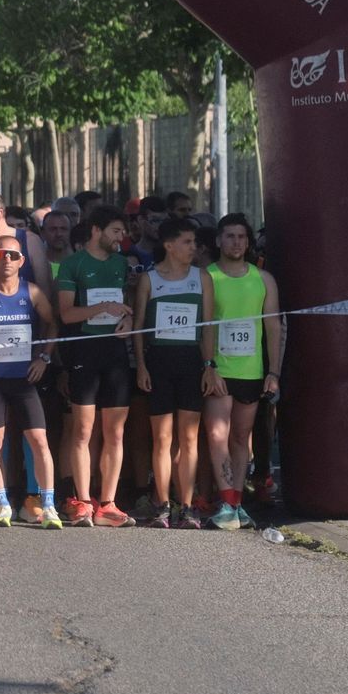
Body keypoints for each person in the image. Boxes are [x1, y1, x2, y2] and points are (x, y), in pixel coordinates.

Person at [0, 234, 62, 529]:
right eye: (0, 255)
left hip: (24, 379)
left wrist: (44, 357)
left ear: (22, 261)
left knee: (39, 441)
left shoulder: (31, 292)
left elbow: (53, 322)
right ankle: (3, 501)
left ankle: (48, 504)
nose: (6, 259)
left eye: (12, 255)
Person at [55, 205, 137, 528]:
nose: (121, 238)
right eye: (116, 231)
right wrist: (102, 307)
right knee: (84, 430)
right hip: (84, 351)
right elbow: (66, 314)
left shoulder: (120, 264)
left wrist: (128, 318)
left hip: (115, 352)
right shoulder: (72, 265)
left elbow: (127, 306)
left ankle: (108, 502)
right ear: (96, 231)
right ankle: (82, 501)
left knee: (114, 431)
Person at [133, 219, 217, 530]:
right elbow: (139, 327)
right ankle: (162, 503)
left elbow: (207, 326)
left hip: (190, 361)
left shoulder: (202, 277)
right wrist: (141, 364)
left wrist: (209, 366)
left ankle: (188, 505)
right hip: (159, 362)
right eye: (187, 242)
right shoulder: (150, 280)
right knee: (163, 438)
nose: (194, 247)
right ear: (169, 245)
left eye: (195, 242)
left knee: (190, 437)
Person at [205, 213, 283, 530]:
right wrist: (208, 366)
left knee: (241, 437)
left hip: (251, 371)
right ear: (219, 241)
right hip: (219, 370)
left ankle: (236, 503)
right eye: (230, 236)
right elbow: (206, 326)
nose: (236, 242)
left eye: (241, 237)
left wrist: (273, 372)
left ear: (248, 242)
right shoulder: (207, 276)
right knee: (216, 435)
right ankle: (226, 500)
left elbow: (273, 326)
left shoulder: (263, 279)